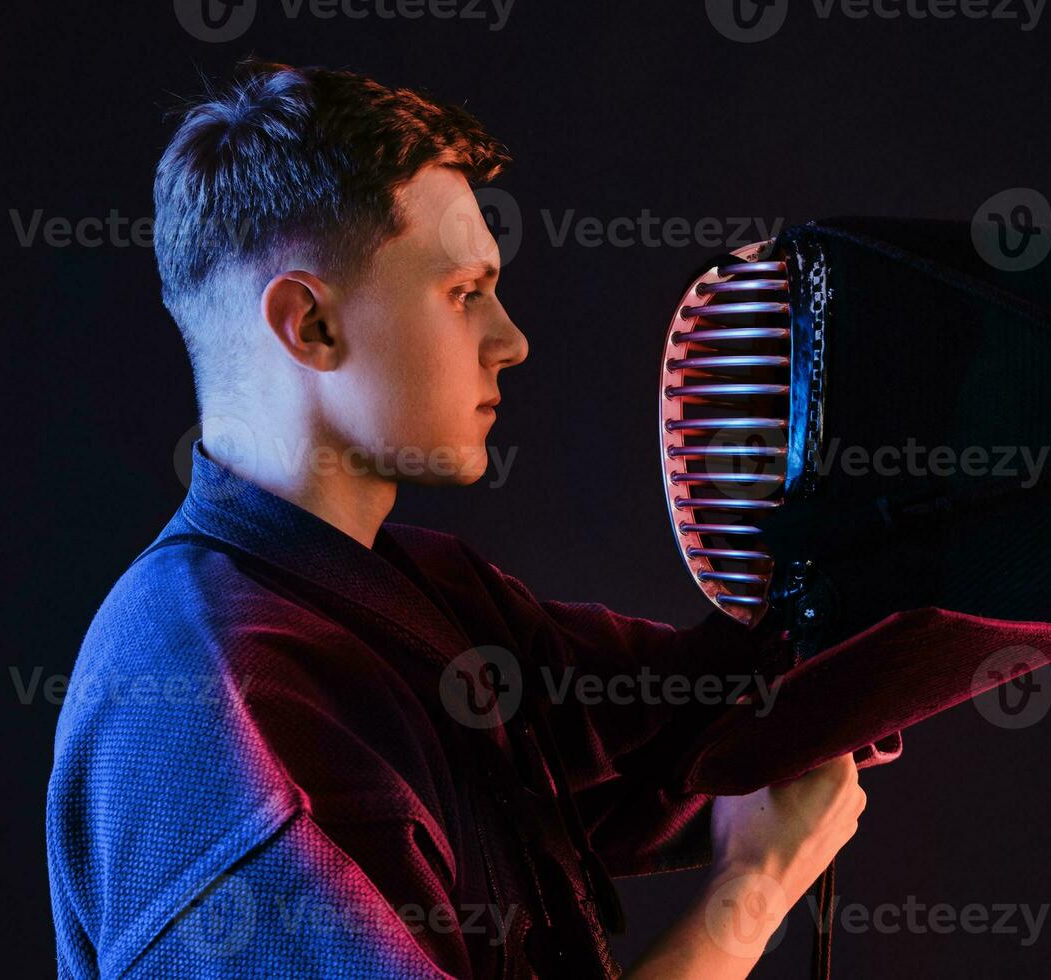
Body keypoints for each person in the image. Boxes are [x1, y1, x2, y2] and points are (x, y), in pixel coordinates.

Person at [46, 57, 864, 979]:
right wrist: (745, 898)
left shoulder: (436, 599)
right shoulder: (200, 700)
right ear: (310, 326)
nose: (510, 341)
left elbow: (702, 709)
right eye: (463, 293)